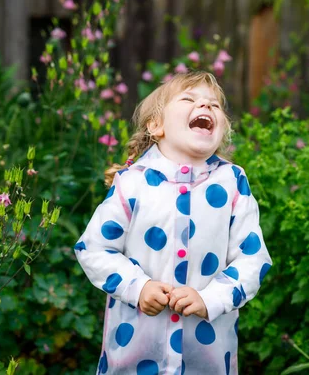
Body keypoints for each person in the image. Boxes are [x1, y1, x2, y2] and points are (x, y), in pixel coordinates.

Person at [74, 71, 273, 374]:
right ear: (157, 125)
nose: (206, 107)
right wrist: (138, 287)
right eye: (189, 100)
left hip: (206, 357)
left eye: (215, 106)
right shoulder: (132, 183)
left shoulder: (232, 182)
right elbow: (94, 248)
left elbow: (253, 258)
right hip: (134, 353)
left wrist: (210, 299)